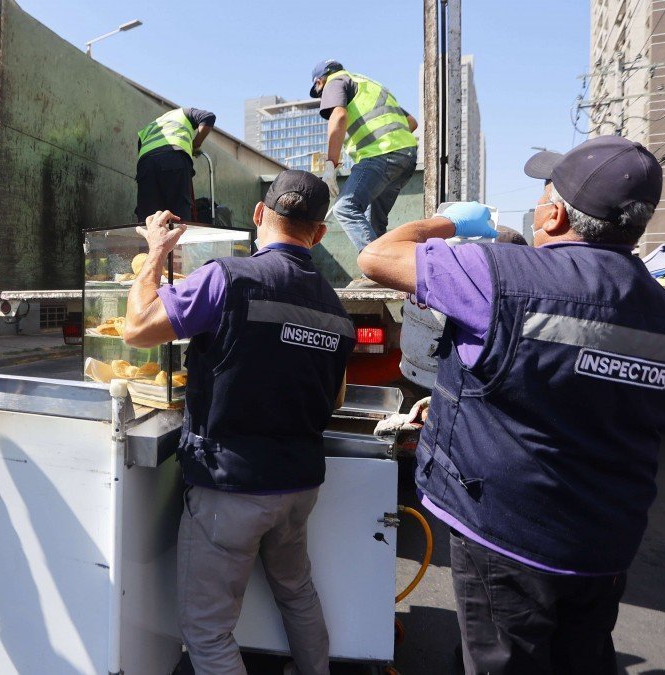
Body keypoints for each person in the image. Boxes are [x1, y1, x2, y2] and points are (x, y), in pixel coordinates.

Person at [358, 136, 665, 674]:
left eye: (545, 194)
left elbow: (376, 257)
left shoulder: (500, 275)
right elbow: (656, 407)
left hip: (507, 534)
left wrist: (450, 222)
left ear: (554, 215)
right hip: (605, 542)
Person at [124, 170, 354, 675]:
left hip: (231, 487)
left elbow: (137, 329)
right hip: (299, 484)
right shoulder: (337, 311)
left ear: (258, 214)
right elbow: (334, 398)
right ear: (319, 233)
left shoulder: (227, 278)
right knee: (296, 590)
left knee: (207, 630)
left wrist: (156, 253)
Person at [309, 59, 418, 284]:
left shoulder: (335, 81)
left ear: (319, 82)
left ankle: (379, 267)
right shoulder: (370, 85)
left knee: (345, 207)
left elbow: (339, 116)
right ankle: (380, 276)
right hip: (405, 157)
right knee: (374, 219)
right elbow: (411, 122)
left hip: (379, 154)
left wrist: (330, 165)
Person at [136, 107, 216, 222]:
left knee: (148, 215)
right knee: (179, 210)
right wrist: (195, 145)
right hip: (173, 158)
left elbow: (140, 146)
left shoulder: (150, 127)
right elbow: (208, 117)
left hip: (145, 163)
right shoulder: (184, 112)